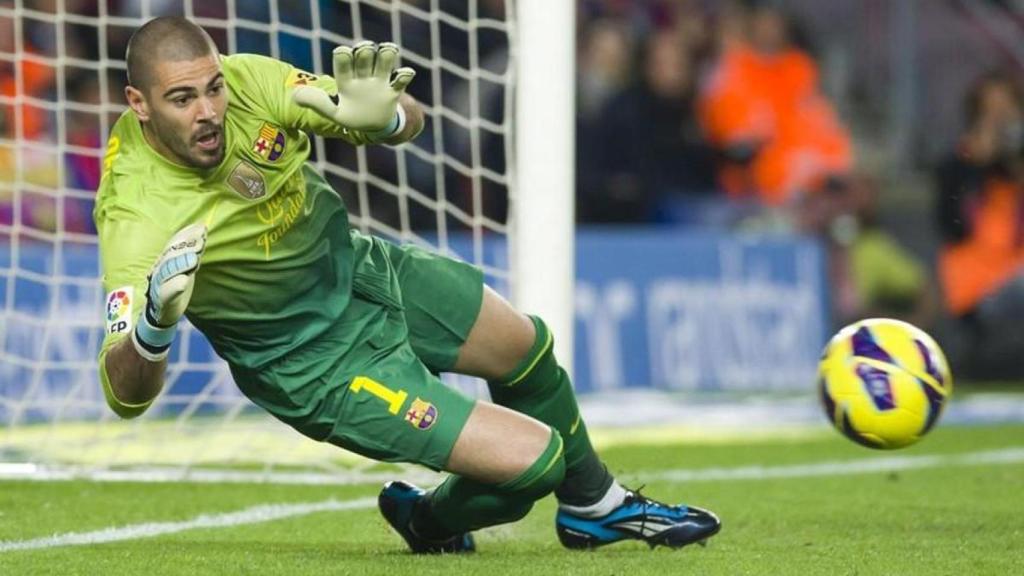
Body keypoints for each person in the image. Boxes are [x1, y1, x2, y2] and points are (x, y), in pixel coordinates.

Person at [94, 17, 720, 553]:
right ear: (139, 102)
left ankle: (593, 507)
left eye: (212, 89)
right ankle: (428, 518)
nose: (208, 111)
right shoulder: (135, 214)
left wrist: (387, 118)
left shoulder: (248, 81)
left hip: (363, 270)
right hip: (314, 362)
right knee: (535, 463)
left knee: (526, 346)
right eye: (182, 99)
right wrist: (152, 328)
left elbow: (405, 119)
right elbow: (124, 395)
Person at [935, 71, 1024, 379]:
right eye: (992, 114)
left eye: (1008, 113)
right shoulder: (956, 167)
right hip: (979, 286)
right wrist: (978, 164)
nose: (1001, 125)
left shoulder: (1014, 168)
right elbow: (953, 225)